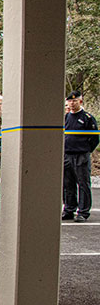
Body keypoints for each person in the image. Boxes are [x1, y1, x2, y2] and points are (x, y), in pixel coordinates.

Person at [63, 91, 99, 222]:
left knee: (83, 183)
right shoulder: (66, 117)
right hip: (67, 155)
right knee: (68, 184)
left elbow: (95, 138)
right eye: (70, 101)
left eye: (75, 101)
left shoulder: (87, 118)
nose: (72, 103)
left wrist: (86, 150)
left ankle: (83, 212)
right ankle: (69, 209)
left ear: (80, 102)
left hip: (81, 155)